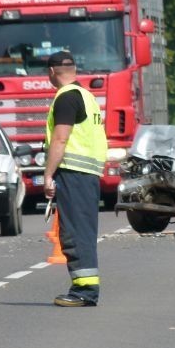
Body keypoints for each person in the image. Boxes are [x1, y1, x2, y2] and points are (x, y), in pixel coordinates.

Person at [44, 51, 107, 307]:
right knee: (83, 231)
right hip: (88, 174)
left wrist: (48, 174)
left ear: (51, 73)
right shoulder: (87, 96)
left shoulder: (66, 98)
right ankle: (85, 287)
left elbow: (60, 138)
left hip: (73, 173)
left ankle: (85, 291)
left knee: (75, 232)